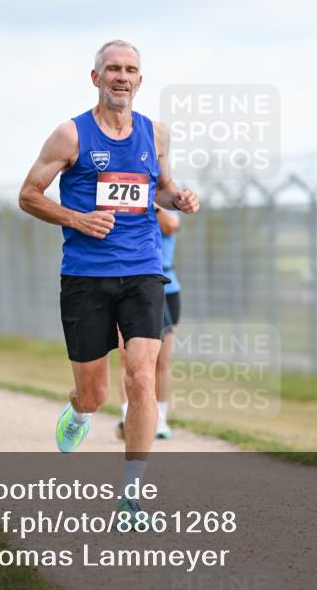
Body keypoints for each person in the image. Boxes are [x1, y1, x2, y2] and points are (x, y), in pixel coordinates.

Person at [18, 40, 199, 519]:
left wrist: (177, 197)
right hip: (85, 275)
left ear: (141, 80)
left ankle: (131, 494)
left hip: (143, 268)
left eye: (131, 69)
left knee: (140, 375)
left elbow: (158, 188)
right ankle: (79, 411)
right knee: (95, 392)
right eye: (113, 69)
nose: (122, 76)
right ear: (95, 77)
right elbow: (28, 195)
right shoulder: (69, 135)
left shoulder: (156, 134)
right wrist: (78, 219)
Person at [117, 205, 181, 441]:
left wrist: (149, 201)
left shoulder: (164, 197)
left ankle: (160, 417)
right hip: (131, 283)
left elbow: (171, 226)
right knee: (128, 356)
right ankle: (128, 416)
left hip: (168, 285)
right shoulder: (121, 193)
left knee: (162, 359)